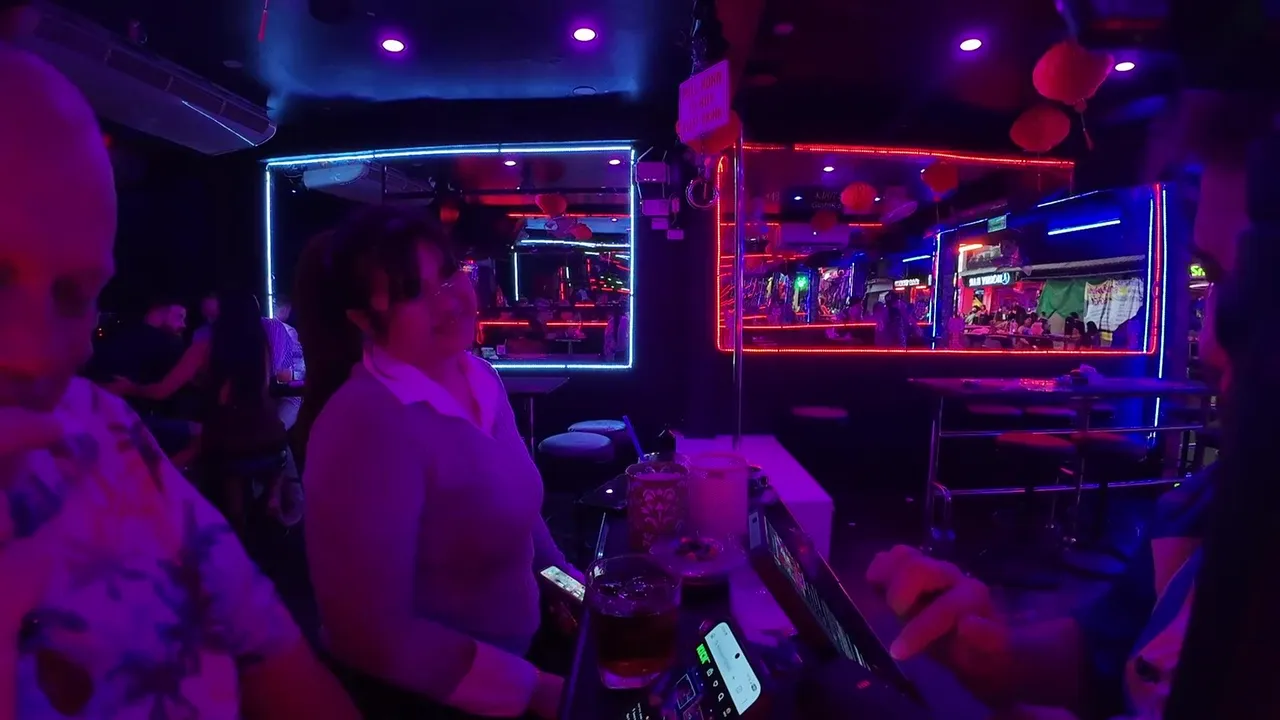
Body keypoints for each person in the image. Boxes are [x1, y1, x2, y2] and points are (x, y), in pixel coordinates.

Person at [0, 42, 356, 718]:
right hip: (267, 437)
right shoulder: (265, 338)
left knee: (210, 464)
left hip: (240, 442)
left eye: (74, 294)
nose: (30, 353)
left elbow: (275, 657)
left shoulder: (104, 430)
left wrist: (134, 392)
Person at [865, 282, 1231, 720]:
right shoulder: (1194, 507)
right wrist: (992, 652)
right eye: (1215, 282)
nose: (1209, 344)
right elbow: (1099, 653)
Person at [293, 206, 575, 719]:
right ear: (363, 320)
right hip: (431, 699)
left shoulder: (479, 376)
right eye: (410, 293)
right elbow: (371, 634)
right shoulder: (363, 423)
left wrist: (578, 591)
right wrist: (534, 691)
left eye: (447, 275)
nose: (447, 302)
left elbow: (524, 516)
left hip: (524, 658)